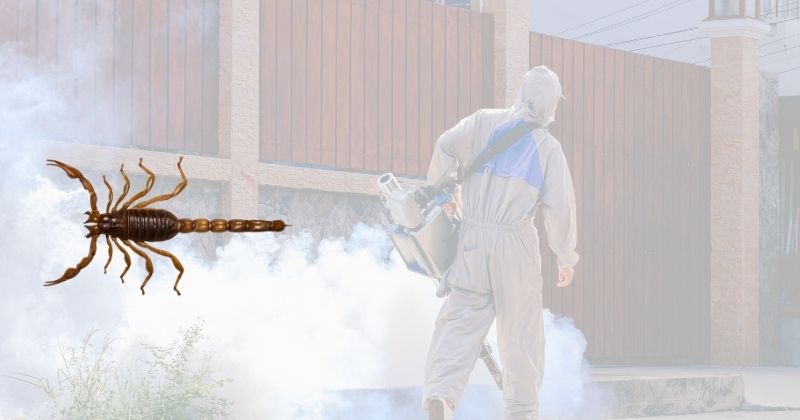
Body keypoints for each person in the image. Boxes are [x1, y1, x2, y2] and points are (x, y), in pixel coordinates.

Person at [422, 65, 579, 420]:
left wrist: (445, 189)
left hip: (473, 237)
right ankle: (520, 412)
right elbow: (560, 209)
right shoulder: (548, 148)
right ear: (551, 105)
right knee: (519, 337)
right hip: (515, 246)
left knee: (459, 322)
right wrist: (565, 255)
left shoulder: (483, 122)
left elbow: (445, 146)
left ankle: (441, 396)